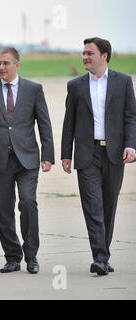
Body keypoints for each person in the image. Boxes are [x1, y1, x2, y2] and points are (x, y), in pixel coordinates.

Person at [0, 47, 54, 274]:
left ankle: (31, 256)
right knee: (4, 210)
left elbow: (44, 123)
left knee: (28, 203)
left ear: (17, 65)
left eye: (5, 63)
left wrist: (48, 155)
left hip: (27, 158)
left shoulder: (33, 89)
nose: (1, 67)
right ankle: (12, 257)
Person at [61, 37, 136, 276]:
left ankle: (103, 255)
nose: (84, 57)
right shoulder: (75, 85)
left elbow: (131, 118)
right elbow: (68, 122)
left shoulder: (123, 82)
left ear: (104, 56)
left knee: (108, 206)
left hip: (114, 153)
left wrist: (131, 146)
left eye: (89, 53)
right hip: (87, 153)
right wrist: (66, 154)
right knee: (93, 206)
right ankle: (100, 258)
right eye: (83, 53)